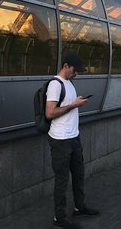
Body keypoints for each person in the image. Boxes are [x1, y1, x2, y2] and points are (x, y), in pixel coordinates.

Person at [45, 53, 100, 229]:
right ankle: (59, 217)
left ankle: (79, 207)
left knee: (78, 174)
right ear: (66, 66)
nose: (77, 73)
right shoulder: (55, 85)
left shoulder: (70, 83)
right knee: (62, 179)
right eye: (75, 70)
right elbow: (50, 113)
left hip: (73, 137)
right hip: (60, 139)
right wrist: (73, 105)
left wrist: (76, 103)